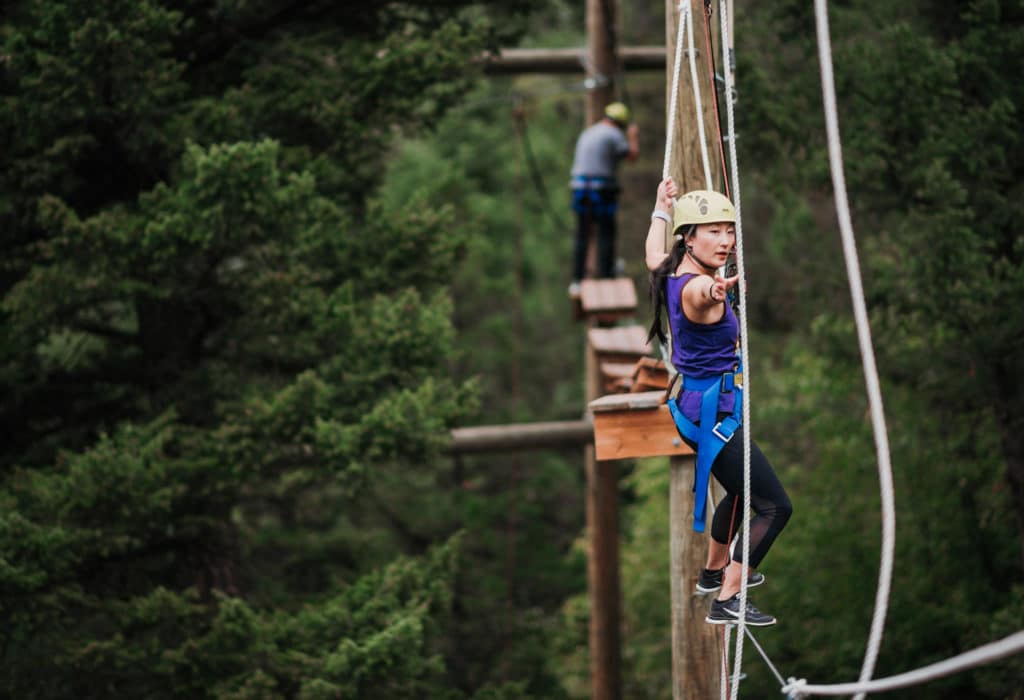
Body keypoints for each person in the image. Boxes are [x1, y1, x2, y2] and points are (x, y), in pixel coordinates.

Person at [644, 176, 792, 626]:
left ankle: (712, 572)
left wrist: (659, 207)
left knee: (742, 491)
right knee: (775, 506)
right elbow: (699, 296)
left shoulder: (670, 268)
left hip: (701, 407)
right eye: (713, 232)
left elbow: (651, 253)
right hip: (709, 412)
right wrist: (718, 289)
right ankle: (728, 598)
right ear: (689, 239)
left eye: (729, 230)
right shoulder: (695, 288)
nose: (726, 240)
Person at [568, 101, 639, 296]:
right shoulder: (615, 135)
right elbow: (632, 156)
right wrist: (633, 137)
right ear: (621, 123)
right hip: (601, 190)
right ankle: (607, 275)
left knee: (583, 234)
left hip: (580, 188)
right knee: (606, 233)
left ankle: (576, 279)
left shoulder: (588, 132)